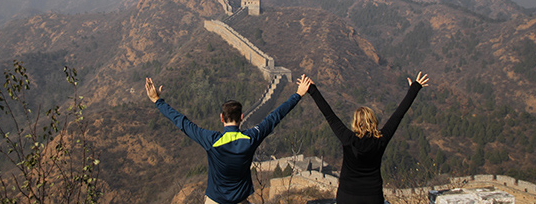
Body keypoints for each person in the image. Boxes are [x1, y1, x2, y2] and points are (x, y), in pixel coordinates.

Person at [145, 75, 313, 204]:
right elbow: (275, 116)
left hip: (214, 200)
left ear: (221, 118)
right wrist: (298, 94)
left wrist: (157, 100)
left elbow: (182, 122)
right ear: (241, 117)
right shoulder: (251, 137)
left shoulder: (210, 140)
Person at [306, 72, 429, 204]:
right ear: (374, 120)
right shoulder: (381, 139)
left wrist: (312, 89)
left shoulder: (348, 138)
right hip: (373, 196)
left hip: (347, 196)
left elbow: (329, 115)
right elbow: (398, 115)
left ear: (355, 122)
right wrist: (414, 89)